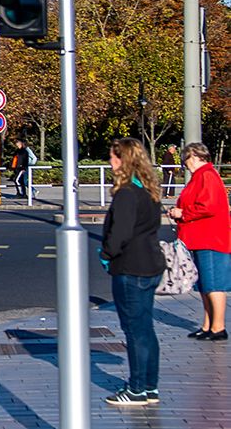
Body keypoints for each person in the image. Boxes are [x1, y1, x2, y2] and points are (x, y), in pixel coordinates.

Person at [100, 137, 165, 406]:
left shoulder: (127, 193)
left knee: (134, 330)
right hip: (150, 264)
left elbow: (121, 234)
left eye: (114, 157)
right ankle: (149, 386)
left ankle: (137, 389)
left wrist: (106, 253)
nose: (110, 162)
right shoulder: (148, 190)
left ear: (124, 159)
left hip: (131, 267)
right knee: (145, 328)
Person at [168, 142, 230, 342]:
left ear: (193, 156)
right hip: (200, 238)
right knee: (204, 284)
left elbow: (208, 206)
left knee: (214, 284)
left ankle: (218, 327)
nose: (185, 164)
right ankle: (208, 325)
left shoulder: (207, 175)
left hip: (210, 238)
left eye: (186, 159)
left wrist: (183, 213)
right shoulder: (200, 176)